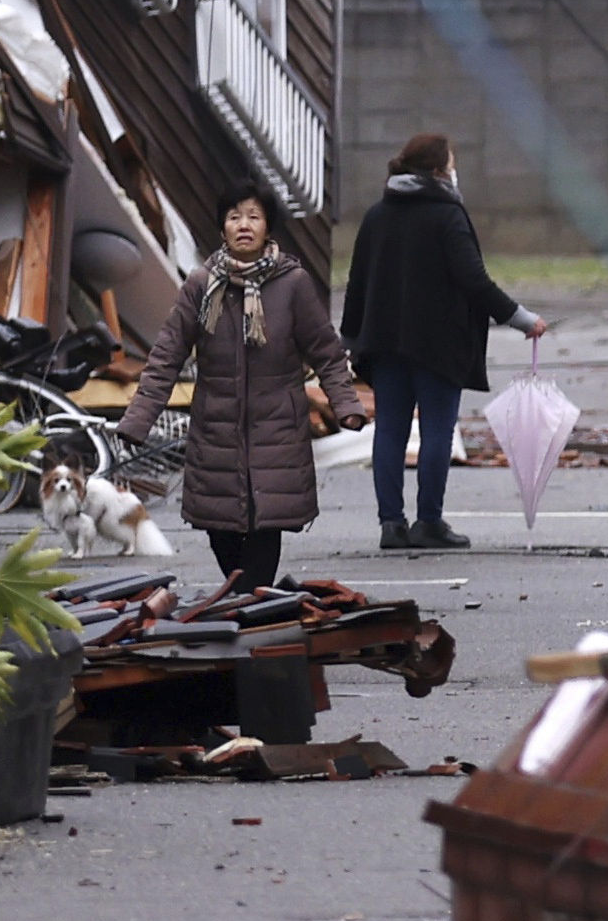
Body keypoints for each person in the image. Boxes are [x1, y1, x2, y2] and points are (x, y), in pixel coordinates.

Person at [116, 195, 359, 590]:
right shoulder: (200, 285)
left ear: (267, 227)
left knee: (265, 528)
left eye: (254, 217)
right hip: (216, 430)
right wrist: (138, 419)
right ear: (223, 227)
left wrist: (346, 405)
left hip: (277, 428)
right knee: (221, 531)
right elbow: (166, 356)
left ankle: (257, 610)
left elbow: (327, 353)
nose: (244, 225)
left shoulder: (292, 285)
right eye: (234, 217)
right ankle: (266, 600)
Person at [337, 130, 540, 554]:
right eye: (450, 163)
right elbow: (473, 280)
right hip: (438, 347)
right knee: (436, 433)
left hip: (385, 344)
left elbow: (358, 282)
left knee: (389, 432)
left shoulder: (378, 215)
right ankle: (429, 521)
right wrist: (521, 319)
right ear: (437, 171)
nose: (454, 170)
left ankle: (391, 524)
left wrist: (352, 338)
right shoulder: (447, 215)